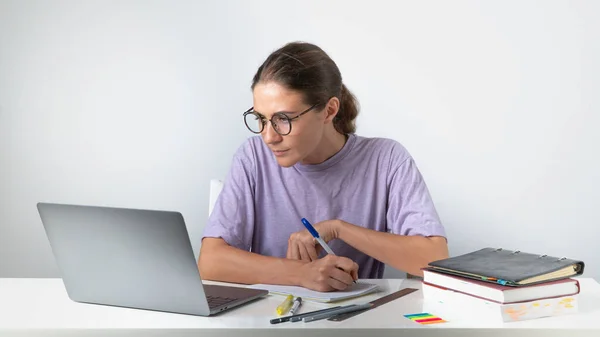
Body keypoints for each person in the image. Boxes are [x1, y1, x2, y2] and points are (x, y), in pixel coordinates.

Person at [198, 41, 448, 292]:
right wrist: (302, 274)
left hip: (355, 322)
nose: (269, 137)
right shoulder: (252, 157)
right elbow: (210, 261)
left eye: (283, 119)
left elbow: (433, 258)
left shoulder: (386, 159)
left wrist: (338, 228)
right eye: (261, 119)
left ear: (329, 110)